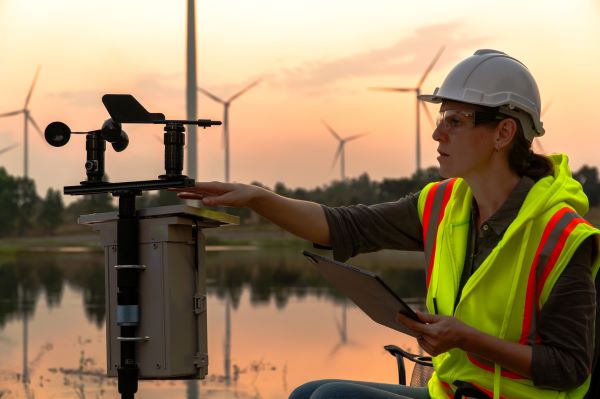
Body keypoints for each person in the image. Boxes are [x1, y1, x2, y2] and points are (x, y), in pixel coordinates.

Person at [174, 50, 599, 399]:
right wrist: (260, 198)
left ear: (503, 132)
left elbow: (570, 369)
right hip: (452, 391)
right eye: (441, 119)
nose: (437, 134)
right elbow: (343, 227)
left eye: (455, 120)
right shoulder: (442, 205)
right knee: (307, 392)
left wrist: (466, 339)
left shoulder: (562, 236)